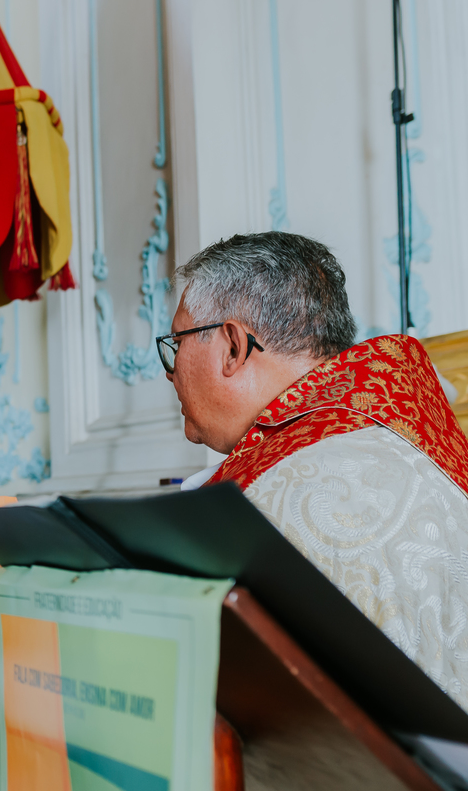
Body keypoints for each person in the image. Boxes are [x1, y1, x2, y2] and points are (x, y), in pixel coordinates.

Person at [160, 232, 468, 706]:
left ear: (234, 347)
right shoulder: (405, 424)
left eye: (175, 344)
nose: (170, 370)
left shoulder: (289, 486)